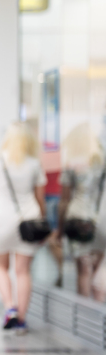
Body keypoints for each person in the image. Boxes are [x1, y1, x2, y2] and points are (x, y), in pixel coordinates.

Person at [0, 122, 46, 335]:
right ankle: (21, 319)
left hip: (1, 220)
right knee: (23, 271)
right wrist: (43, 224)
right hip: (28, 222)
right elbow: (40, 199)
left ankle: (9, 306)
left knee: (0, 266)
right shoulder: (34, 164)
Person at [57, 124, 106, 301]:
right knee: (96, 271)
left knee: (83, 272)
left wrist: (60, 229)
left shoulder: (71, 163)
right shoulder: (101, 162)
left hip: (77, 220)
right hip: (100, 221)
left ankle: (85, 317)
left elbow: (64, 201)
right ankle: (98, 313)